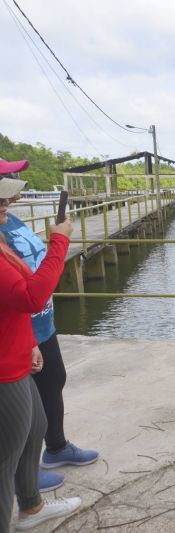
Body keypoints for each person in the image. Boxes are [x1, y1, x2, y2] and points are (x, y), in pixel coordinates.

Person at [0, 160, 98, 494]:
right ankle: (22, 474)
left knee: (53, 381)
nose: (17, 184)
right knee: (20, 410)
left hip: (40, 323)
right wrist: (59, 243)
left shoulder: (9, 217)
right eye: (9, 178)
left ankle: (54, 447)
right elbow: (26, 293)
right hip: (18, 329)